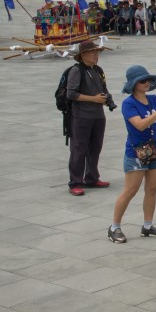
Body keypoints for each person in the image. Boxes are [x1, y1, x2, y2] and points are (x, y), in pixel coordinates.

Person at [108, 66, 156, 243]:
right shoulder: (129, 104)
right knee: (130, 190)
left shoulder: (155, 99)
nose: (147, 83)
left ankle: (147, 226)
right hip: (136, 153)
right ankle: (114, 227)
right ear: (133, 84)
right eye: (142, 80)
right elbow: (139, 125)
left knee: (152, 189)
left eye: (148, 79)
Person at [66, 40, 116, 196]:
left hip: (98, 115)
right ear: (83, 55)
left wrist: (108, 100)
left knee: (95, 148)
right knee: (79, 149)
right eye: (93, 52)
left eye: (97, 52)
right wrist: (93, 99)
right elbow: (71, 94)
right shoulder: (76, 71)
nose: (96, 55)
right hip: (81, 116)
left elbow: (103, 88)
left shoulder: (98, 70)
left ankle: (92, 177)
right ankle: (75, 182)